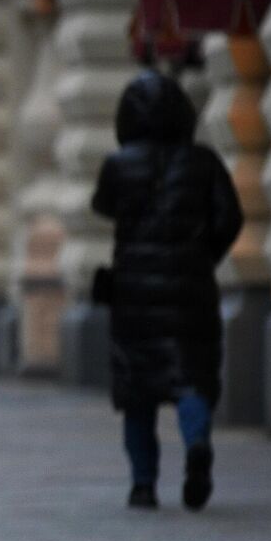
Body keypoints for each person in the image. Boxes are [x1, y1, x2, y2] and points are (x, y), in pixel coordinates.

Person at [90, 70, 240, 511]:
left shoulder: (120, 164)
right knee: (192, 377)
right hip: (192, 289)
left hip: (134, 294)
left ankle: (143, 484)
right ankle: (196, 443)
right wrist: (202, 256)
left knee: (138, 391)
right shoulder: (204, 162)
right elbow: (229, 218)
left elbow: (102, 206)